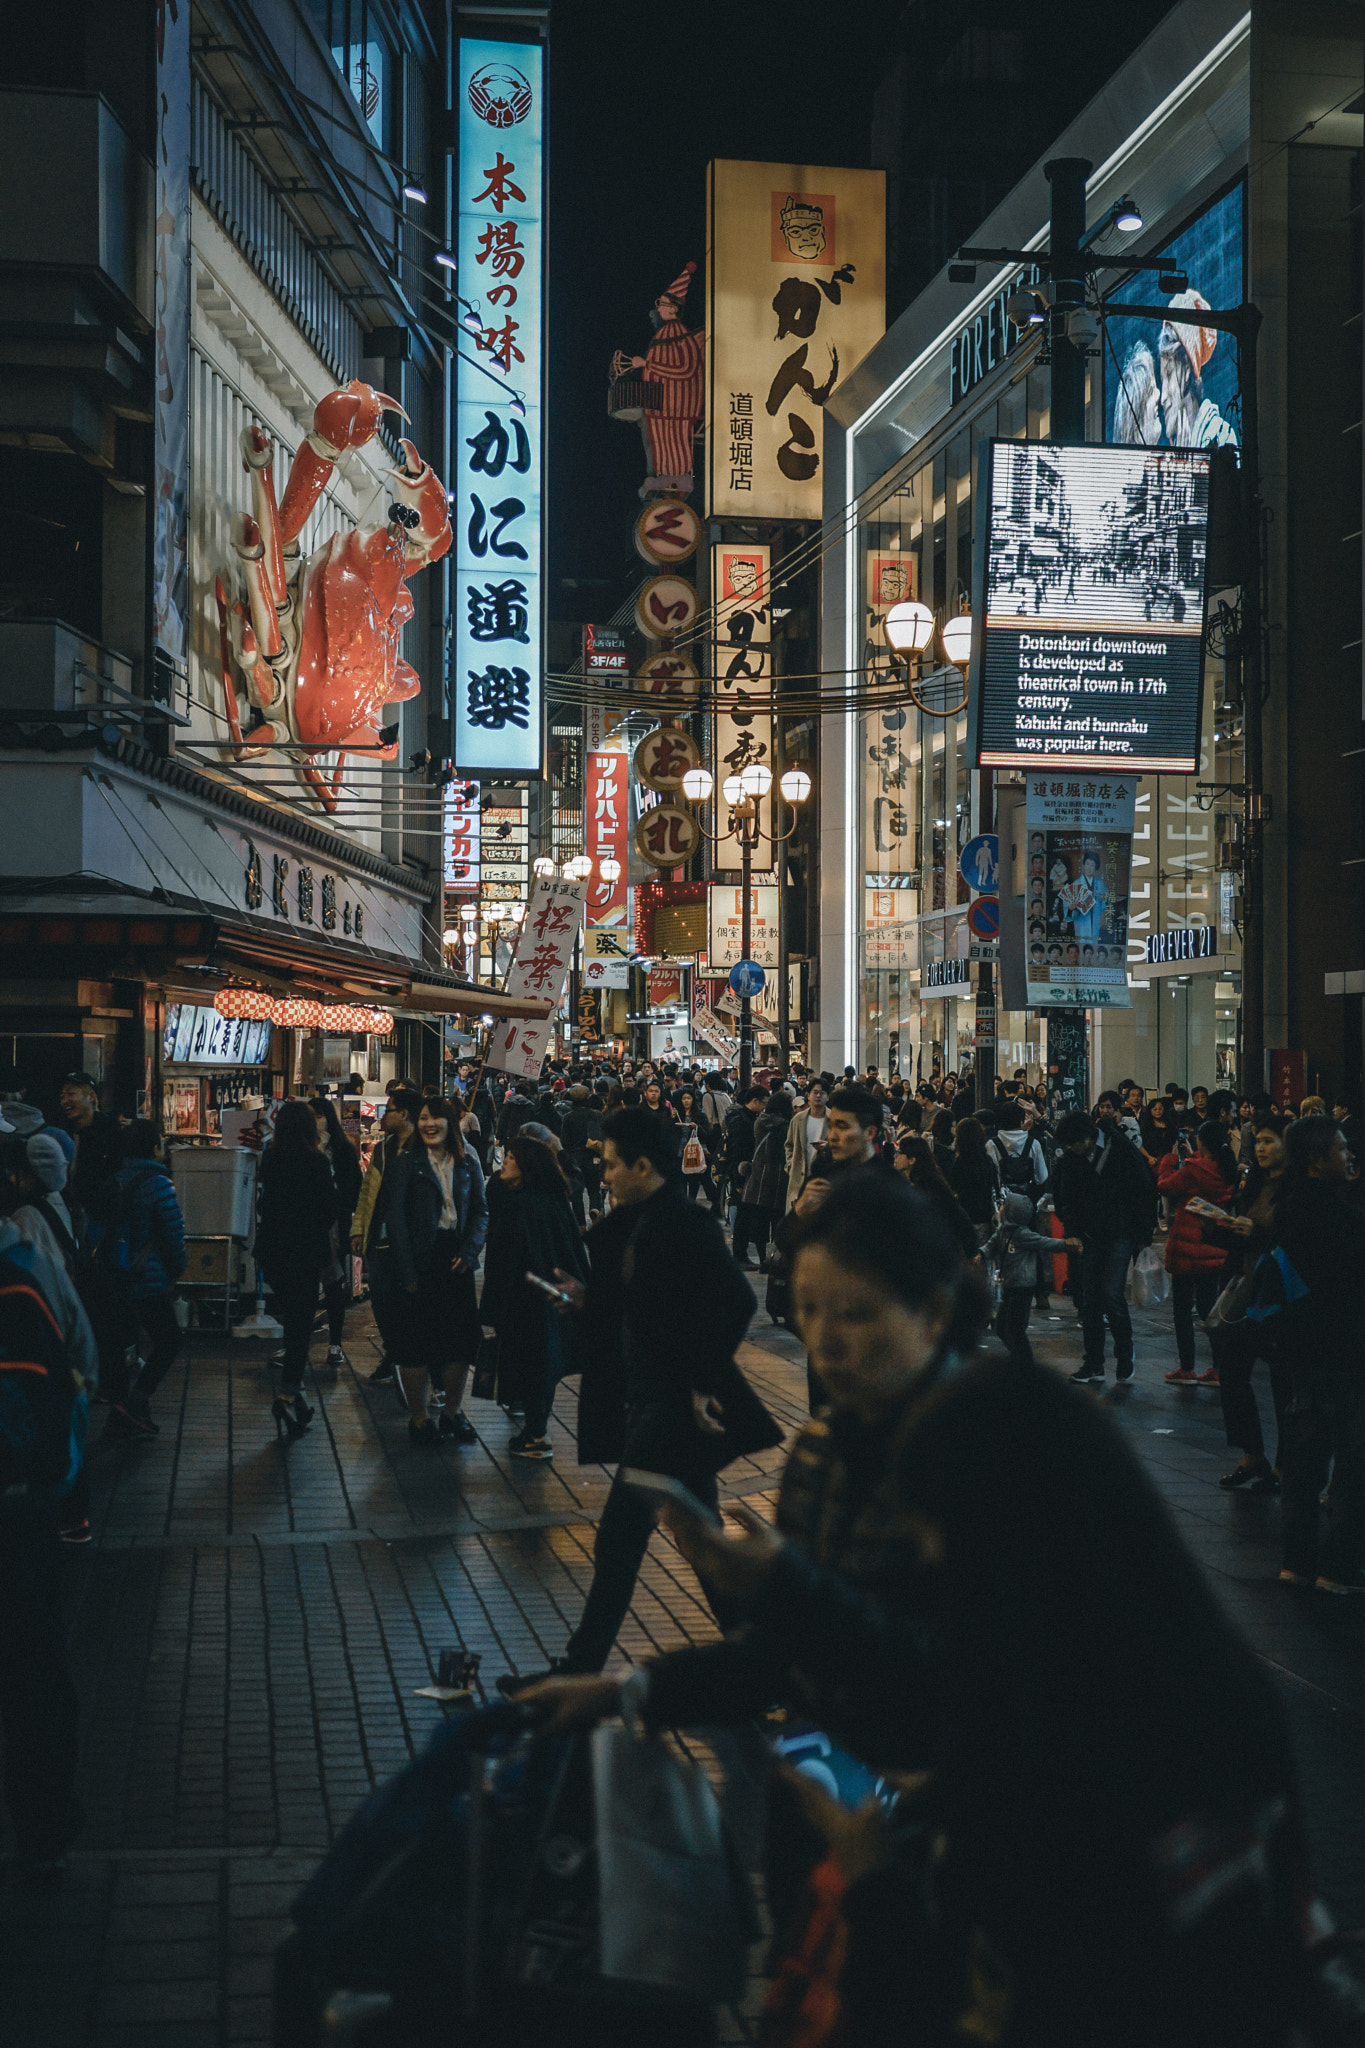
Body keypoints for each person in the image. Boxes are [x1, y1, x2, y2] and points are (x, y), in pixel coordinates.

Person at [523, 1175, 1305, 2048]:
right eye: (807, 1310)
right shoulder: (842, 1451)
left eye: (854, 1313)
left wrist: (879, 1876)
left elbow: (945, 1695)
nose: (824, 1341)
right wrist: (633, 1695)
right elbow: (824, 1675)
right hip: (875, 1831)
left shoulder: (999, 1459)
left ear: (934, 1312)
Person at [497, 1107, 781, 1685]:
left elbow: (738, 1302)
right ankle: (758, 1662)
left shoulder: (684, 1224)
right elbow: (632, 1305)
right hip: (650, 1402)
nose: (602, 1176)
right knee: (701, 1542)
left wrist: (703, 1379)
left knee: (621, 1542)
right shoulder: (635, 1224)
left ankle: (580, 1671)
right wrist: (585, 1299)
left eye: (610, 1164)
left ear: (644, 1166)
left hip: (672, 1407)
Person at [0, 1209, 96, 1875]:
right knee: (33, 1679)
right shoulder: (17, 1277)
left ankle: (43, 1826)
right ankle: (43, 1826)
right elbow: (61, 1380)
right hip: (19, 1506)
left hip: (18, 1504)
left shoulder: (16, 1279)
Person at [1271, 1117, 1365, 1594]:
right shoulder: (1346, 1219)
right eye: (1342, 1148)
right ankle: (1339, 1568)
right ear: (1317, 1156)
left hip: (1301, 1350)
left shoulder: (1287, 1210)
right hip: (1347, 1352)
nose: (1349, 1155)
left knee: (1304, 1464)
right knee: (1351, 1465)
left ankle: (1296, 1561)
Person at [386, 1098, 487, 1448]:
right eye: (423, 1117)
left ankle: (452, 1413)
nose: (429, 1124)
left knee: (459, 1342)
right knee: (415, 1341)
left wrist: (470, 1250)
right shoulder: (406, 1164)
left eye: (436, 1118)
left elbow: (480, 1212)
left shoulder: (466, 1162)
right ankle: (419, 1418)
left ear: (450, 1124)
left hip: (455, 1258)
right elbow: (395, 1218)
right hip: (419, 1258)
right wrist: (406, 1267)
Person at [478, 1137, 587, 1460]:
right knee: (543, 1364)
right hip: (552, 1298)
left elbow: (504, 1261)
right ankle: (536, 1429)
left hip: (525, 1301)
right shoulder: (552, 1200)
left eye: (511, 1158)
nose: (504, 1164)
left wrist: (491, 1308)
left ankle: (537, 1437)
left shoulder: (520, 1205)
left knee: (531, 1364)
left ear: (527, 1165)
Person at [1208, 1114, 1291, 1491]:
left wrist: (1255, 1232)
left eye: (1269, 1141)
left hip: (1283, 1298)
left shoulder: (1297, 1190)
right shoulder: (1255, 1183)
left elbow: (1295, 1240)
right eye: (1257, 1140)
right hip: (1249, 1291)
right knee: (1233, 1372)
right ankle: (1251, 1454)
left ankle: (1286, 1465)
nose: (1260, 1147)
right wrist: (1222, 1228)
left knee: (1284, 1383)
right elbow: (1246, 1237)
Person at [1053, 1110, 1158, 1386]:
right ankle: (1093, 1363)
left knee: (1111, 1294)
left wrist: (1144, 1234)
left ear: (1086, 1138)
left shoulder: (1120, 1148)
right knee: (1089, 1300)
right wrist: (1072, 1232)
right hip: (1088, 1236)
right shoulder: (1071, 1160)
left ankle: (1125, 1354)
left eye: (1071, 1143)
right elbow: (1066, 1198)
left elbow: (1143, 1189)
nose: (1069, 1149)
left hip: (1120, 1233)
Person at [98, 1122, 187, 1439]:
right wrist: (178, 1269)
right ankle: (135, 1403)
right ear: (154, 1148)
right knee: (170, 1341)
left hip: (115, 1275)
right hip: (148, 1277)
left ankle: (123, 1409)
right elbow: (173, 1232)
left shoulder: (115, 1179)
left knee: (124, 1344)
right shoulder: (159, 1183)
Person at [256, 1100, 338, 1439]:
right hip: (304, 1253)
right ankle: (289, 1394)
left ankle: (299, 1397)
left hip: (273, 1252)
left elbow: (264, 1203)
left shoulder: (271, 1159)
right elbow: (329, 1208)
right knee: (300, 1327)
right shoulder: (317, 1161)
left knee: (293, 1318)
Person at [351, 1086, 421, 1387]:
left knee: (410, 1302)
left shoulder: (426, 1148)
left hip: (413, 1240)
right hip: (380, 1236)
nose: (384, 1116)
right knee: (381, 1300)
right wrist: (359, 1229)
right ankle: (394, 1352)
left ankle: (408, 1357)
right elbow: (368, 1191)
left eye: (389, 1110)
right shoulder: (383, 1149)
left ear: (404, 1114)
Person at [1160, 1121, 1237, 1387]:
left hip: (1187, 1247)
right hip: (1214, 1243)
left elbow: (1166, 1186)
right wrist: (1193, 1154)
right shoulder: (1227, 1168)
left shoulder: (1193, 1170)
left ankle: (1187, 1368)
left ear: (1203, 1142)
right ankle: (1219, 1367)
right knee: (1209, 1309)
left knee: (1182, 1310)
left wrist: (1171, 1159)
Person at [991, 1192, 1082, 1368]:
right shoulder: (1003, 1232)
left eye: (1005, 1206)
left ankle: (1025, 1363)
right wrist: (980, 1254)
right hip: (1009, 1286)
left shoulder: (1023, 1235)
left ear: (1011, 1212)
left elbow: (1044, 1242)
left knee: (1015, 1329)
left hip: (1022, 1288)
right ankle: (1018, 1358)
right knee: (1003, 1327)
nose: (1001, 1209)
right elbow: (990, 1246)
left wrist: (1065, 1245)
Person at [312, 1097, 363, 1371]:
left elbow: (354, 1186)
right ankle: (296, 1340)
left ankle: (335, 1343)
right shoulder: (299, 1148)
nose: (316, 1120)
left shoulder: (342, 1149)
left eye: (319, 1115)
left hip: (332, 1227)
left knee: (333, 1284)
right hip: (305, 1227)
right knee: (302, 1287)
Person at [893, 1134, 981, 1261]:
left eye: (899, 1153)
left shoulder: (931, 1186)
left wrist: (971, 1251)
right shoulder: (904, 1183)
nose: (895, 1156)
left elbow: (958, 1217)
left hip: (935, 1252)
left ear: (912, 1160)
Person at [741, 1089, 792, 1268]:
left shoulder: (759, 1122)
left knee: (760, 1224)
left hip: (758, 1178)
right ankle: (775, 1258)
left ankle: (763, 1259)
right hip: (778, 1178)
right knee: (777, 1222)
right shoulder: (786, 1126)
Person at [58, 1071, 121, 1213]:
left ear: (91, 1097)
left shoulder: (110, 1132)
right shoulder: (62, 1134)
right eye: (62, 1096)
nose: (64, 1101)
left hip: (101, 1215)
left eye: (71, 1094)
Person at [724, 1084, 769, 1268]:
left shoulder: (749, 1118)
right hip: (742, 1175)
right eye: (764, 1103)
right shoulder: (742, 1122)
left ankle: (741, 1255)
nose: (765, 1107)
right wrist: (738, 1180)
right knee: (743, 1216)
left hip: (746, 1174)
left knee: (745, 1215)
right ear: (755, 1101)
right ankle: (740, 1255)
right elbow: (737, 1153)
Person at [947, 1116, 999, 1240]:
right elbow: (994, 1186)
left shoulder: (960, 1162)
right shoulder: (987, 1160)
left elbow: (953, 1188)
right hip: (985, 1218)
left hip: (965, 1218)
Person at [783, 1074, 829, 1211]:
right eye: (815, 1092)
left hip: (824, 1178)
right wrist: (791, 1165)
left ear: (828, 1097)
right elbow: (789, 1144)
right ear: (808, 1096)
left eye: (822, 1093)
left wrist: (828, 1148)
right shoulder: (798, 1119)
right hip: (799, 1176)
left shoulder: (833, 1120)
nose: (818, 1096)